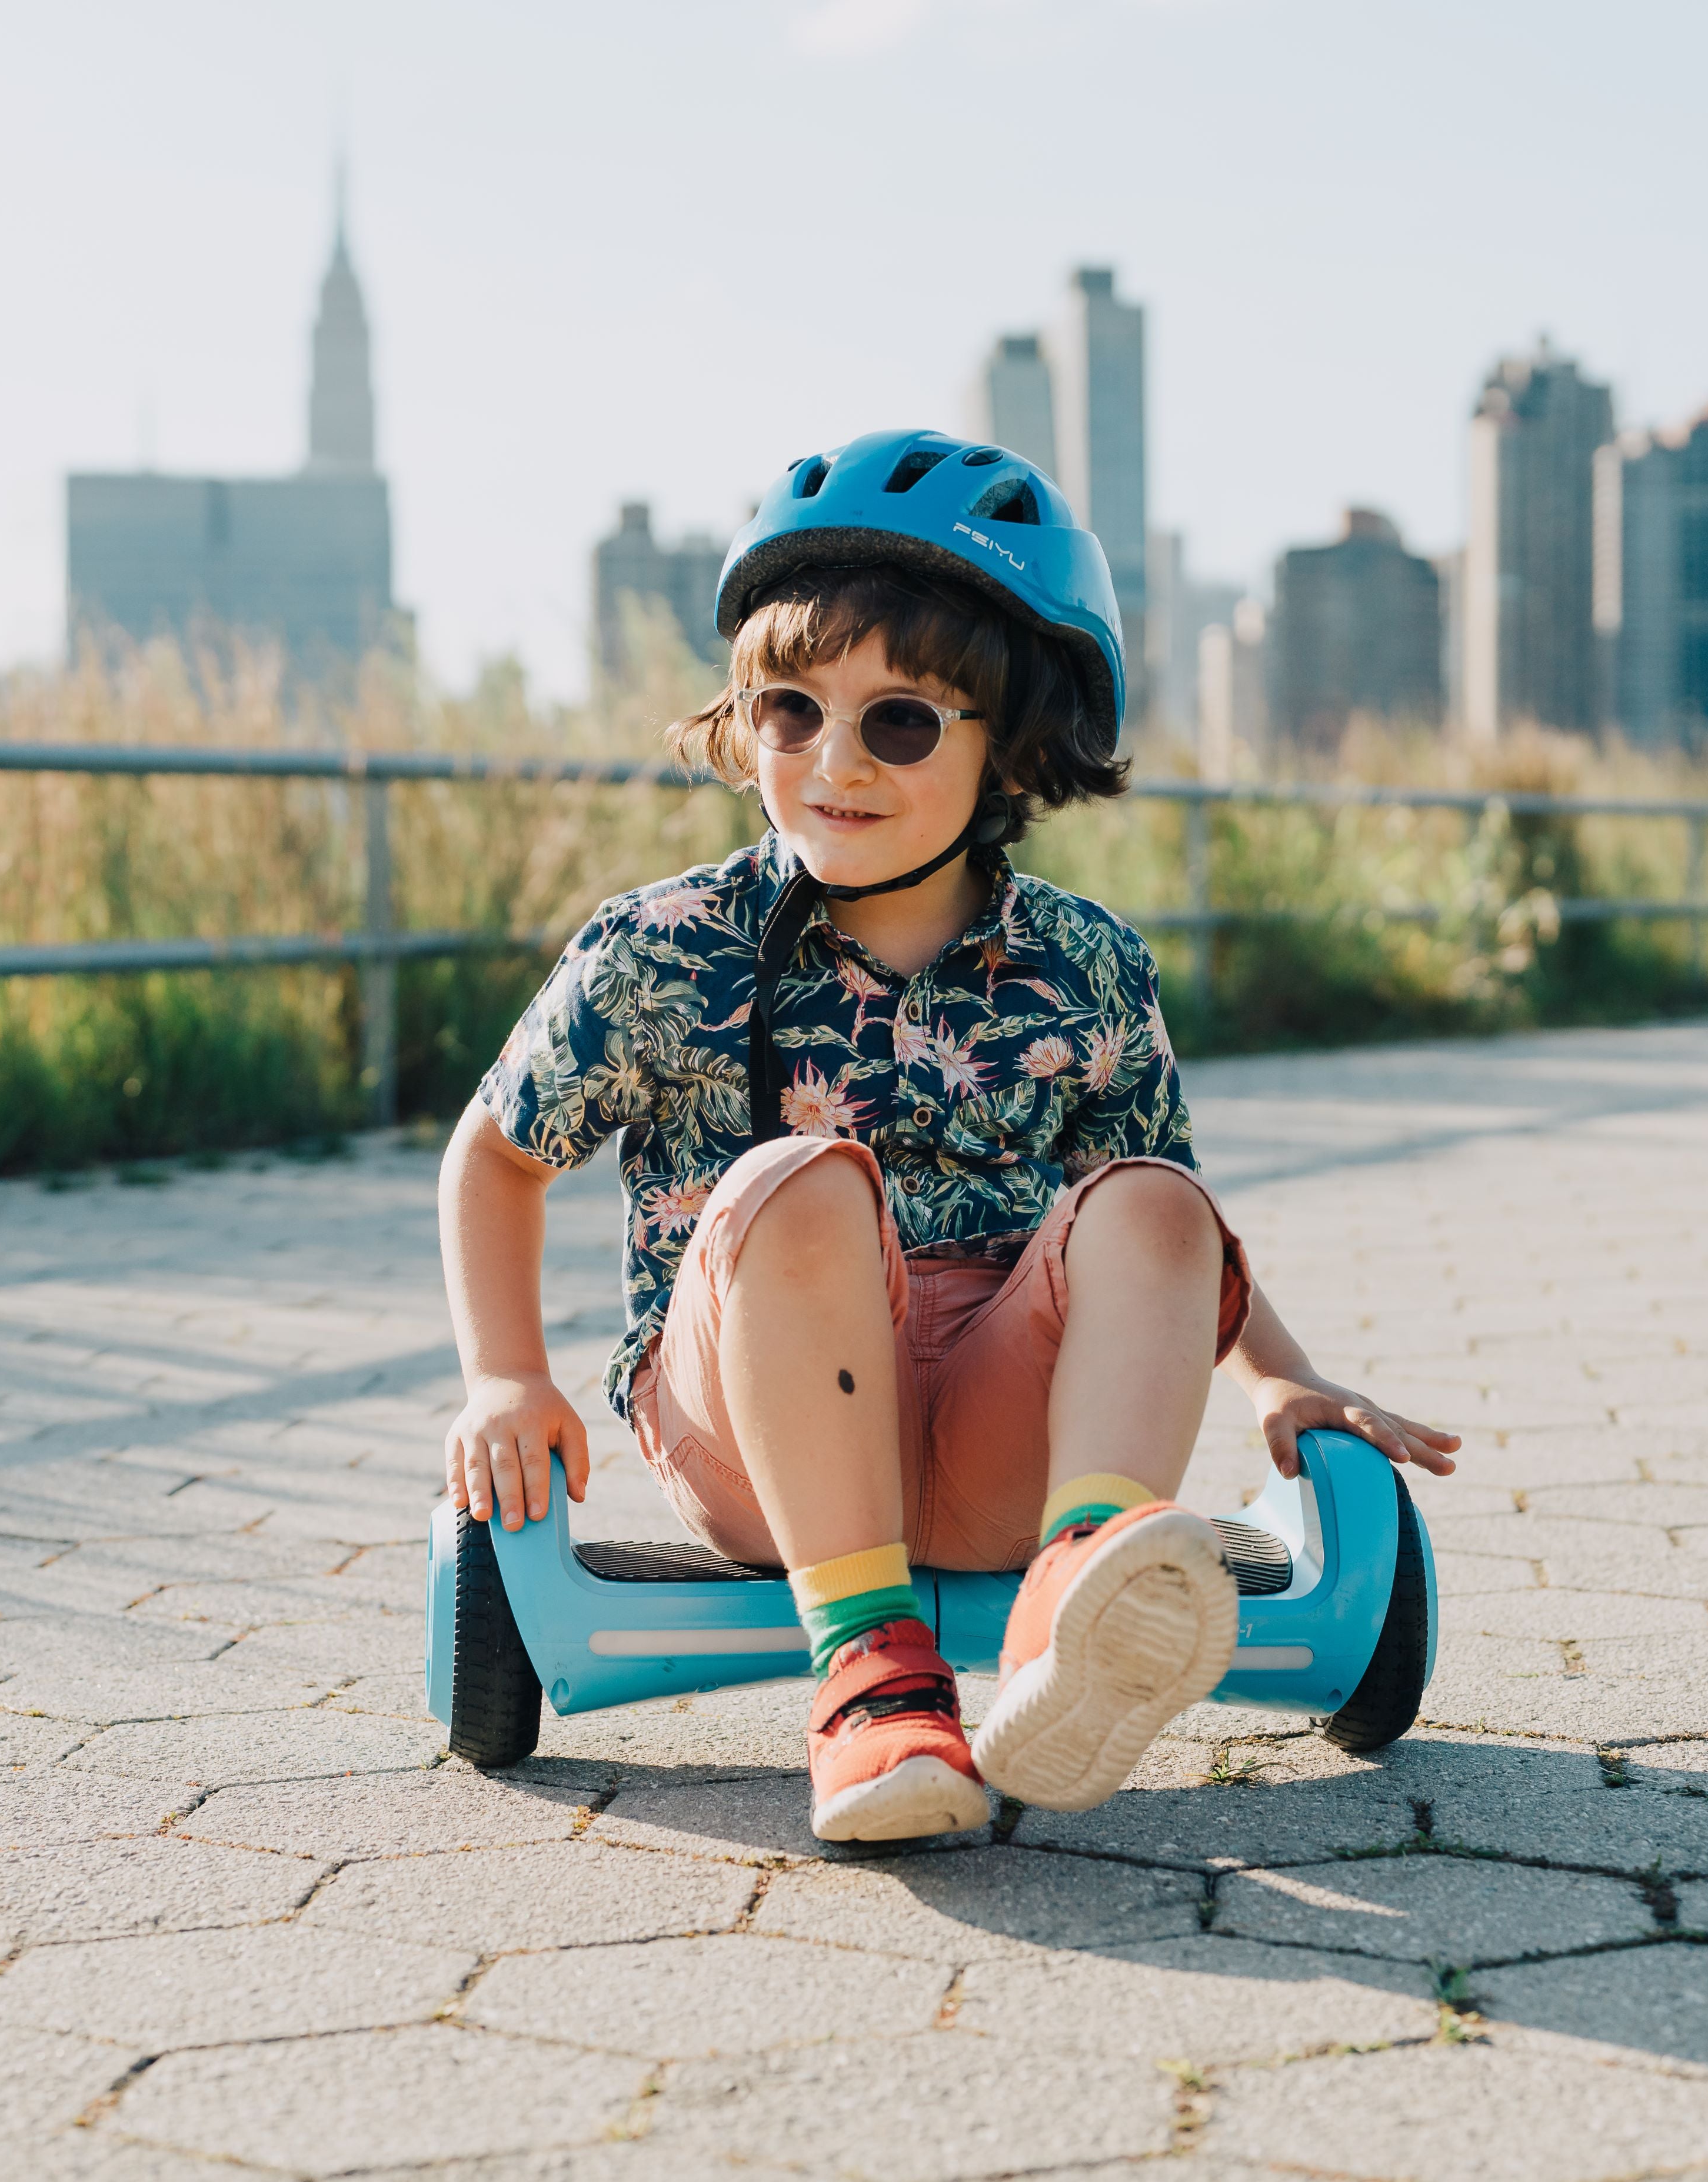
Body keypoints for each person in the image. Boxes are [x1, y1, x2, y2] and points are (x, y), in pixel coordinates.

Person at [438, 430, 1457, 1843]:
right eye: (790, 711)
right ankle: (868, 1686)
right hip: (753, 1414)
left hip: (1002, 1431)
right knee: (798, 1183)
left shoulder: (1084, 962)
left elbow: (1154, 1242)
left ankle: (1074, 1598)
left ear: (1014, 745)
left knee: (1153, 1197)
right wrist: (503, 1377)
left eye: (900, 723)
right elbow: (494, 1154)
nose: (834, 761)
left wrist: (1282, 1379)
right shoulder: (665, 947)